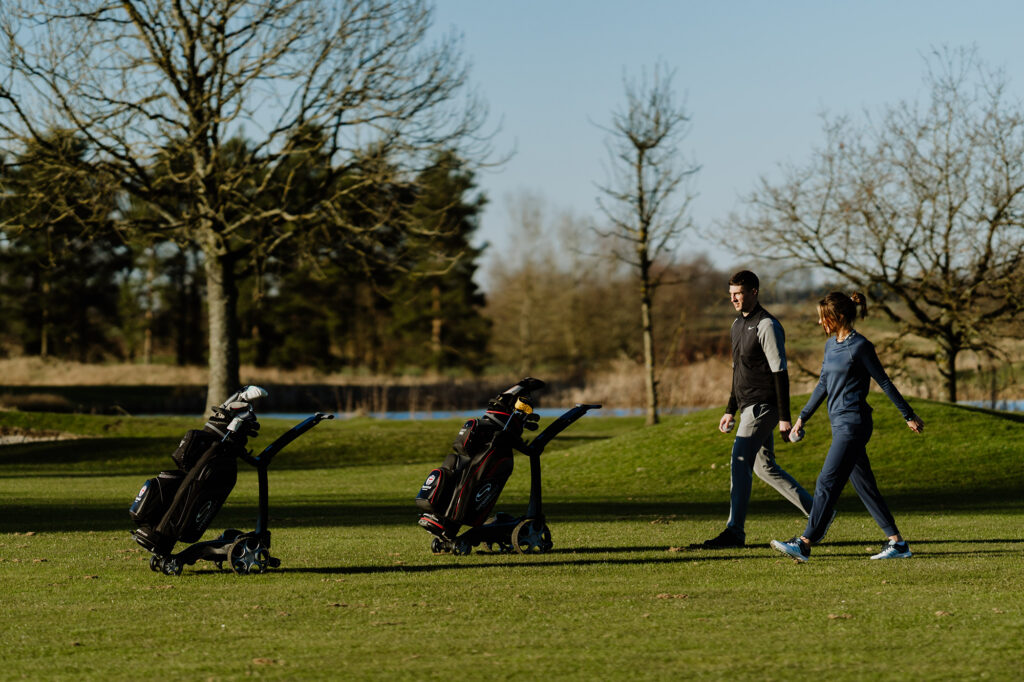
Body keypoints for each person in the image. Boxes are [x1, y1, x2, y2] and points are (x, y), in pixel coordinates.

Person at [771, 292, 924, 562]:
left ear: (837, 316)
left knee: (827, 481)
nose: (820, 323)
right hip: (839, 423)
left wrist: (907, 414)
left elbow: (884, 382)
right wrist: (802, 417)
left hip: (854, 424)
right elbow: (823, 384)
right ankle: (898, 544)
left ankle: (804, 543)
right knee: (865, 485)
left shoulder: (861, 346)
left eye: (823, 318)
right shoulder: (831, 346)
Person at [691, 270, 815, 549]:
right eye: (731, 294)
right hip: (746, 406)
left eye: (739, 293)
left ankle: (734, 532)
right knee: (764, 468)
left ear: (754, 292)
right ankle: (820, 513)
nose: (734, 298)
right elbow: (738, 372)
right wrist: (729, 409)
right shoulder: (736, 325)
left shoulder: (767, 325)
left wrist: (784, 418)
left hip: (763, 406)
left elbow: (780, 372)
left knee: (739, 462)